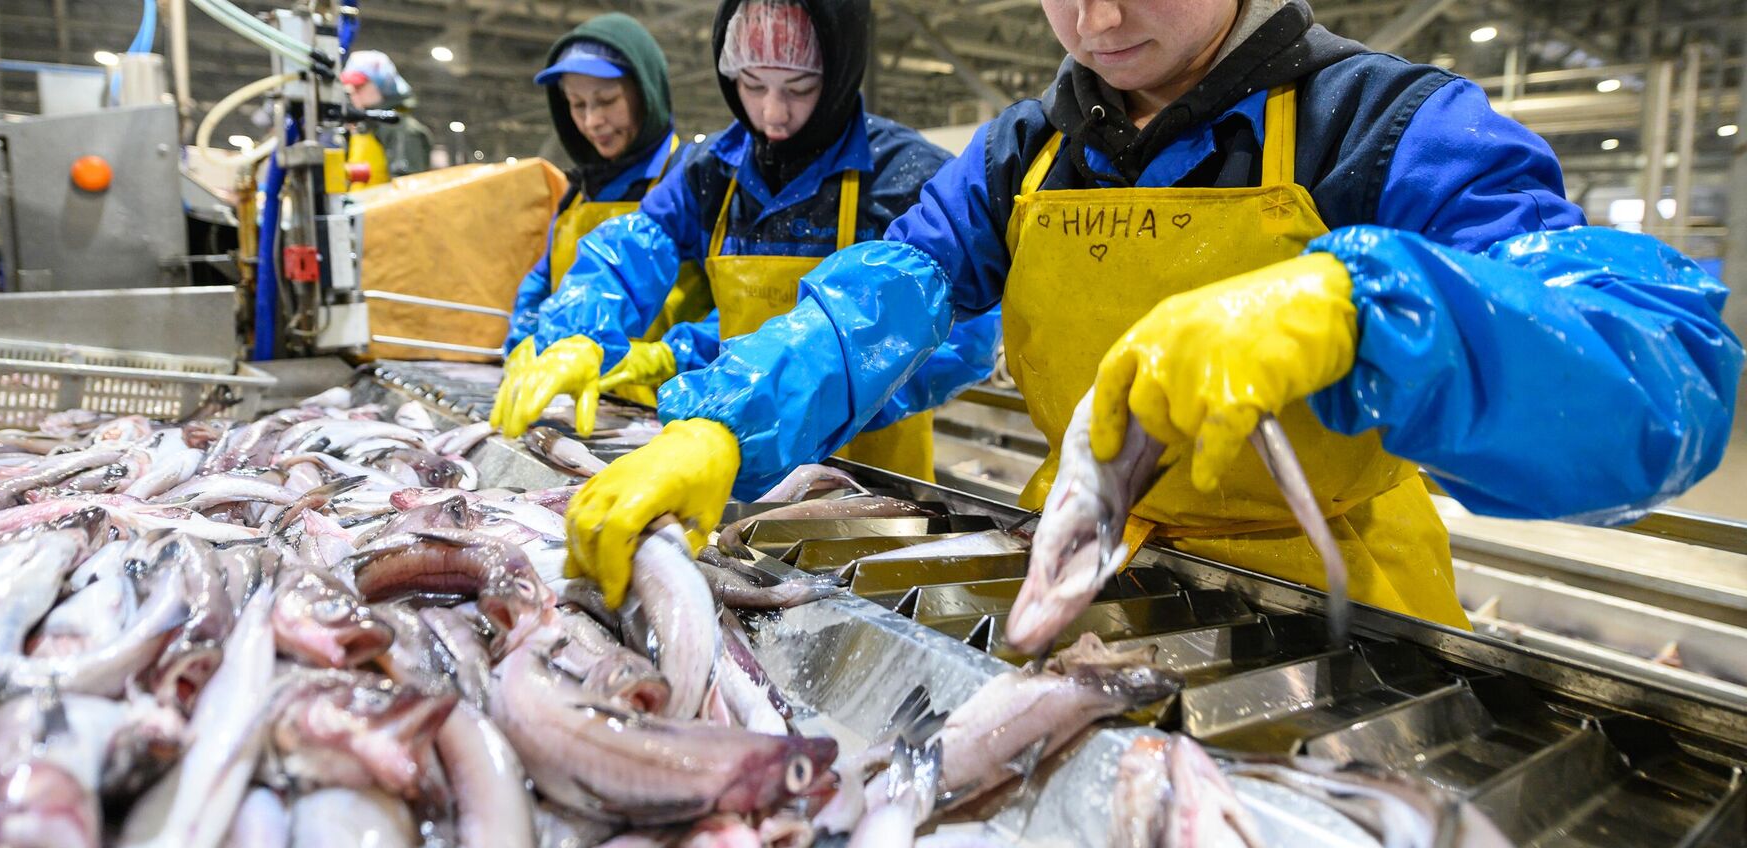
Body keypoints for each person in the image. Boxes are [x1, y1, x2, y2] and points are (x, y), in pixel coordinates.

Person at [557, 0, 1742, 614]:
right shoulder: (1023, 153)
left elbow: (1666, 368)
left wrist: (1366, 303)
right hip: (1073, 575)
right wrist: (723, 419)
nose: (1101, 20)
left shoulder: (1387, 130)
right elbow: (882, 301)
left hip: (1333, 614)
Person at [491, 0, 1001, 476]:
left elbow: (968, 336)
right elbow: (632, 248)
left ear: (842, 71)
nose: (773, 114)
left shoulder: (904, 175)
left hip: (866, 482)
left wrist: (818, 396)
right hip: (721, 463)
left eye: (799, 88)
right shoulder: (712, 171)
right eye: (752, 86)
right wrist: (577, 331)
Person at [505, 14, 712, 406]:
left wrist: (664, 357)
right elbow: (541, 282)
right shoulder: (579, 192)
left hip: (670, 413)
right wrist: (525, 345)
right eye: (576, 104)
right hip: (581, 411)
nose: (591, 121)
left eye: (606, 101)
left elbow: (741, 316)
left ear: (646, 92)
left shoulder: (691, 182)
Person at [340, 51, 433, 178]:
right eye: (350, 88)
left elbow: (406, 189)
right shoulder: (366, 129)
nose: (353, 93)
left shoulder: (402, 130)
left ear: (383, 84)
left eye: (359, 86)